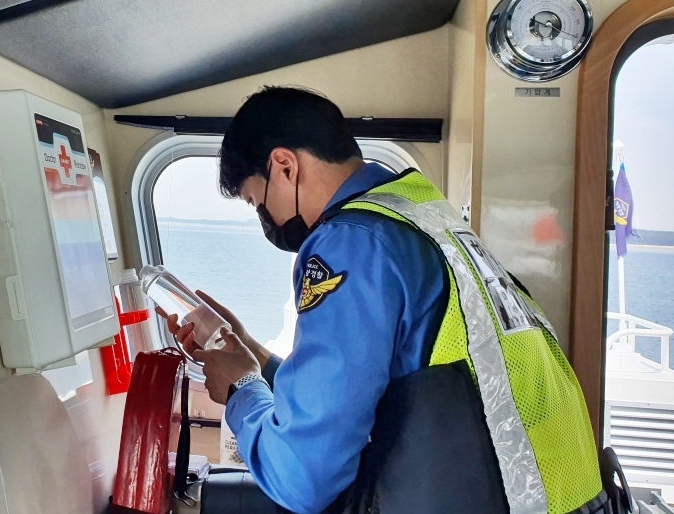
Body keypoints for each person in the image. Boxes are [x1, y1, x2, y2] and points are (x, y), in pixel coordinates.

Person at [164, 86, 615, 514]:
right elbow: (369, 387)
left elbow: (300, 477)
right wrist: (253, 354)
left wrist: (242, 388)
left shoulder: (351, 243)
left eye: (256, 201)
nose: (265, 218)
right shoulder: (424, 215)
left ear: (284, 166)